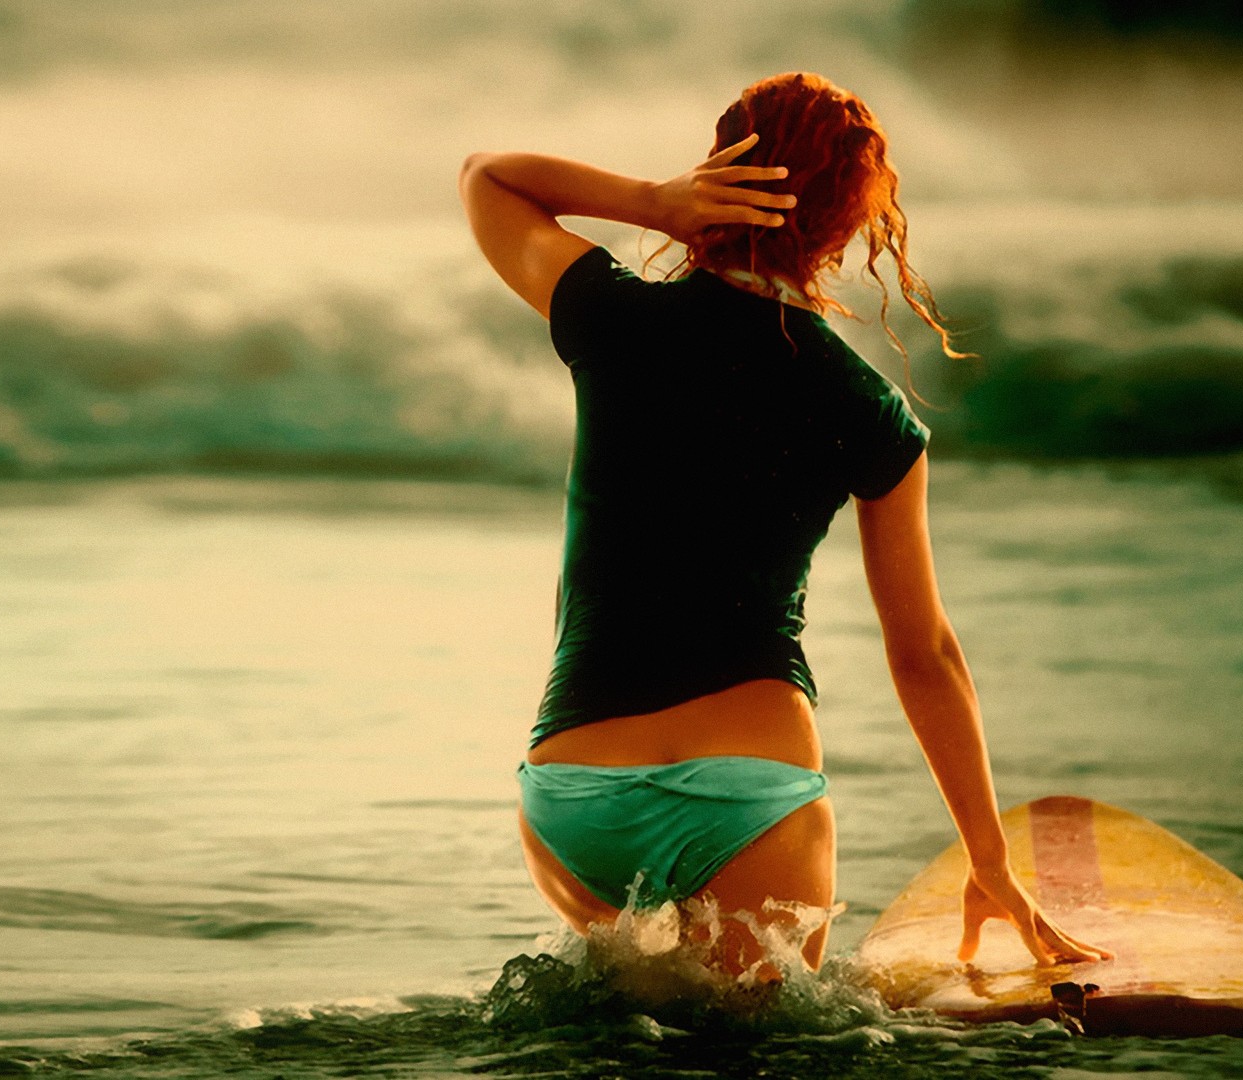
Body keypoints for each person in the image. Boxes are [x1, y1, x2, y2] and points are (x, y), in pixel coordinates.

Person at [458, 72, 1110, 978]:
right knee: (773, 1037)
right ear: (849, 224)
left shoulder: (611, 316)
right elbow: (924, 655)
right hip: (751, 796)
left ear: (719, 169)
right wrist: (989, 861)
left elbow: (487, 176)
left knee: (622, 1025)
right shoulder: (867, 410)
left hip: (574, 795)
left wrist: (653, 203)